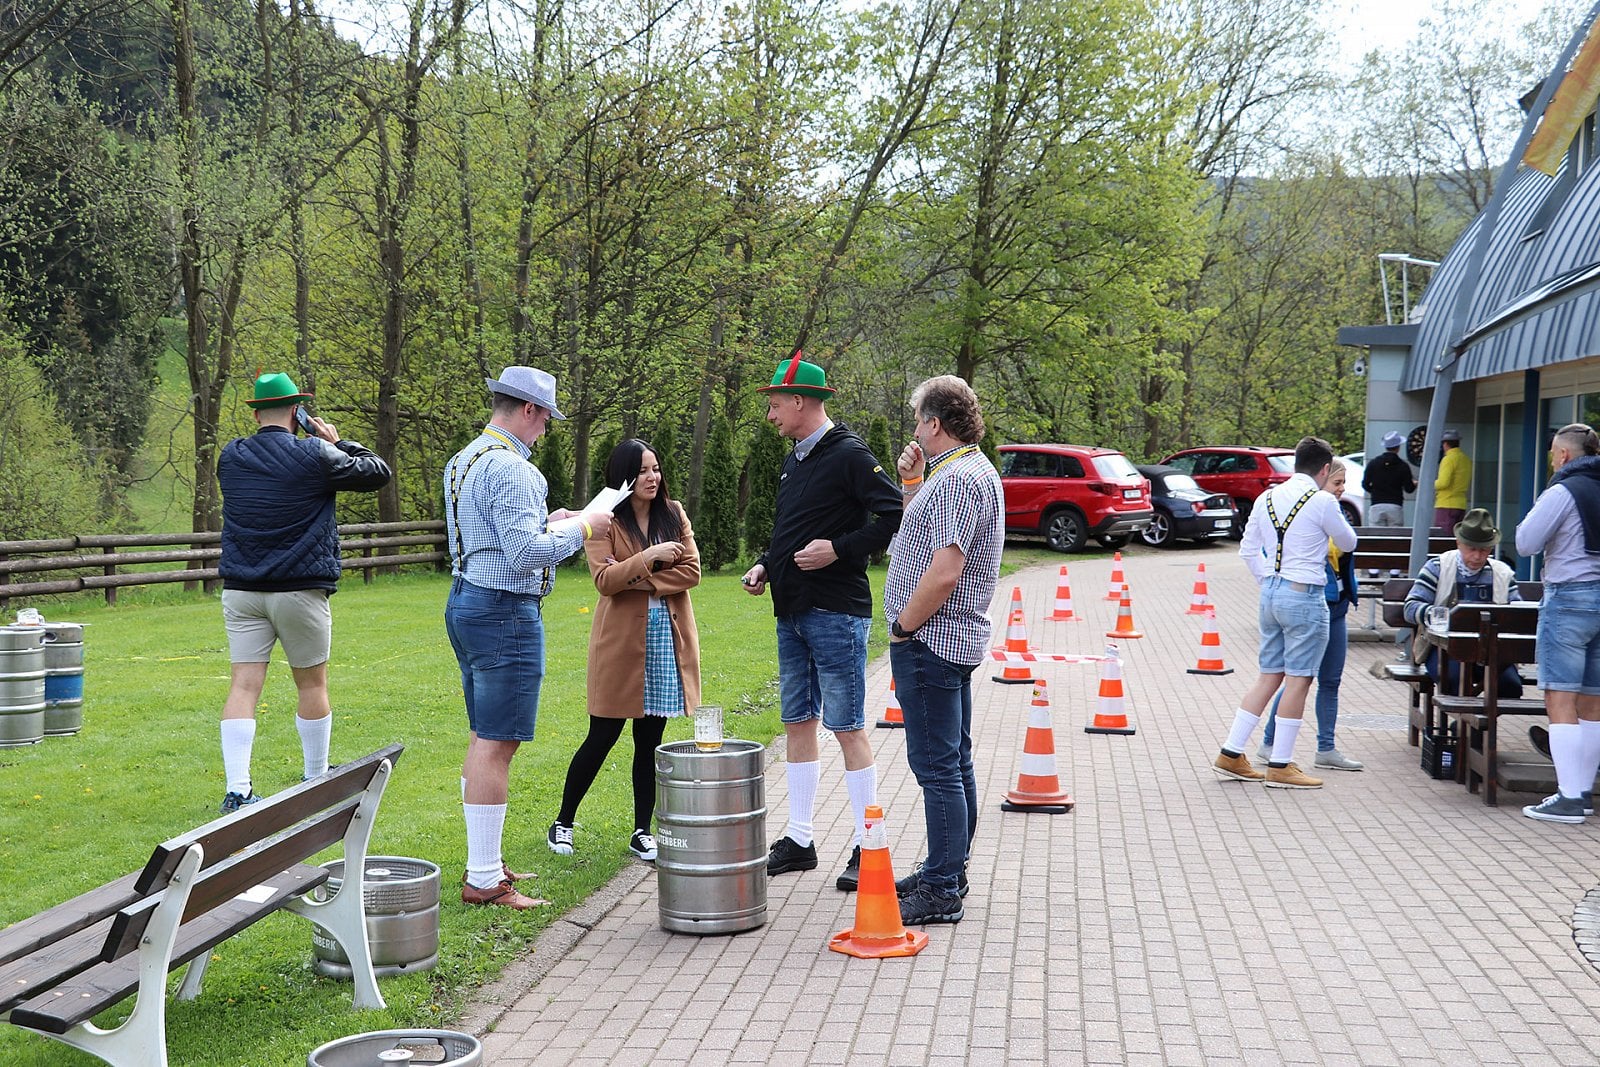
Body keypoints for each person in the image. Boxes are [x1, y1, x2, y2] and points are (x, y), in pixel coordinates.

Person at [445, 367, 613, 908]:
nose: (545, 432)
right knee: (499, 742)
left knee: (481, 736)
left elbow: (492, 535)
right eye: (546, 420)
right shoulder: (516, 470)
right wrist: (587, 526)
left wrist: (551, 519)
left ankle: (485, 863)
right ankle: (485, 879)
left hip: (466, 601)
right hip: (505, 612)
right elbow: (526, 554)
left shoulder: (465, 459)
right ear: (530, 411)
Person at [741, 352, 902, 892]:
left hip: (836, 611)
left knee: (848, 726)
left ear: (802, 402)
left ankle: (868, 843)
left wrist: (837, 550)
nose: (770, 414)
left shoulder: (850, 455)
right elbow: (792, 527)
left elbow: (894, 515)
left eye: (775, 403)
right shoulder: (795, 459)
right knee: (797, 723)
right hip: (791, 610)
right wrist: (767, 561)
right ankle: (802, 839)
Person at [215, 372, 392, 814]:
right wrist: (335, 442)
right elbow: (378, 473)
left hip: (242, 589)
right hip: (299, 588)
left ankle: (237, 789)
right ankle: (315, 778)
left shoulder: (231, 456)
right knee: (311, 683)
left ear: (256, 413)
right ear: (298, 411)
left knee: (243, 685)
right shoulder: (315, 454)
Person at [884, 375, 1004, 926]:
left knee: (937, 768)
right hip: (950, 637)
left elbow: (946, 567)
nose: (915, 429)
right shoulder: (963, 471)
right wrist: (911, 482)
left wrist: (905, 627)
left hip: (933, 638)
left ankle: (941, 887)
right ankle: (947, 869)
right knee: (954, 760)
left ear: (934, 423)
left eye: (917, 420)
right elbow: (920, 534)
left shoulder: (958, 478)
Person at [548, 439, 701, 862]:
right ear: (624, 478)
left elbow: (692, 571)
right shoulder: (603, 521)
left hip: (666, 637)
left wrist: (636, 576)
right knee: (602, 735)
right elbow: (604, 581)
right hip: (619, 642)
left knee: (650, 739)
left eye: (656, 469)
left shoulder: (673, 514)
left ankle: (641, 830)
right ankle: (562, 822)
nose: (652, 478)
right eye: (643, 471)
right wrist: (650, 558)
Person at [1212, 435, 1356, 790]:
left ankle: (1231, 752)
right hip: (1304, 596)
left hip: (1271, 593)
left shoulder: (1267, 497)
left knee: (1268, 676)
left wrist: (1269, 581)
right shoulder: (1322, 500)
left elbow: (1248, 550)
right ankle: (1281, 764)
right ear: (1325, 469)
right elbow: (1349, 542)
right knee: (1300, 679)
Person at [1515, 423, 1600, 824]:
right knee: (1593, 700)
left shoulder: (1563, 490)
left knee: (1560, 696)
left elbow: (1526, 542)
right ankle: (1582, 792)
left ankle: (1567, 797)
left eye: (1553, 453)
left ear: (1564, 455)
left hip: (1569, 598)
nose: (1552, 459)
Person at [1257, 459, 1364, 772]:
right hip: (1310, 603)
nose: (1341, 489)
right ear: (1320, 480)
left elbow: (1346, 547)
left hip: (1338, 607)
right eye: (1336, 483)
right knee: (1298, 679)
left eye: (1343, 484)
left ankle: (1326, 748)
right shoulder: (1311, 511)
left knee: (1330, 680)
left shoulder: (1333, 511)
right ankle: (1269, 743)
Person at [1401, 508, 1524, 700]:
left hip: (1490, 652)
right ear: (1459, 543)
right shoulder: (1438, 567)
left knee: (1510, 687)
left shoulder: (1503, 573)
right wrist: (1440, 616)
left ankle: (1471, 726)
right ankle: (1468, 725)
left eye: (1483, 550)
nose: (1477, 556)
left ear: (1491, 548)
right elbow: (1410, 607)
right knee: (1453, 680)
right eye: (1472, 548)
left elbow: (1518, 614)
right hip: (1445, 649)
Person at [1363, 430, 1416, 529]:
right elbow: (1409, 489)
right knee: (1394, 540)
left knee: (1376, 539)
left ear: (1385, 446)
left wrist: (1375, 491)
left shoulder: (1373, 463)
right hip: (1395, 506)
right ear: (1398, 447)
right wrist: (1415, 484)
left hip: (1376, 504)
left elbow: (1365, 484)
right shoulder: (1403, 466)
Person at [1433, 428, 1472, 531]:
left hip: (1446, 504)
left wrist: (1427, 484)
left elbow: (1443, 483)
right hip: (1460, 505)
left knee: (1443, 540)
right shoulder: (1466, 459)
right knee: (1456, 538)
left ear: (1445, 444)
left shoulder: (1448, 459)